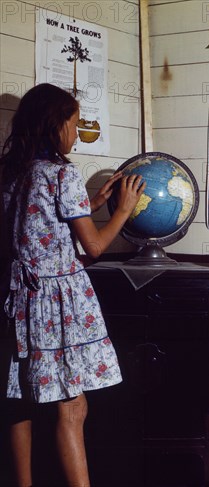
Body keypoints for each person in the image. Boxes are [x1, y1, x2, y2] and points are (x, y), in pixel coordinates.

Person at [0, 83, 146, 487]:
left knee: (21, 398)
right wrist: (123, 210)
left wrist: (90, 205)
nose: (76, 132)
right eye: (74, 123)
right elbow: (95, 247)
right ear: (55, 125)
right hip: (60, 302)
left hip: (20, 300)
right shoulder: (63, 173)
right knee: (72, 404)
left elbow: (34, 229)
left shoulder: (12, 170)